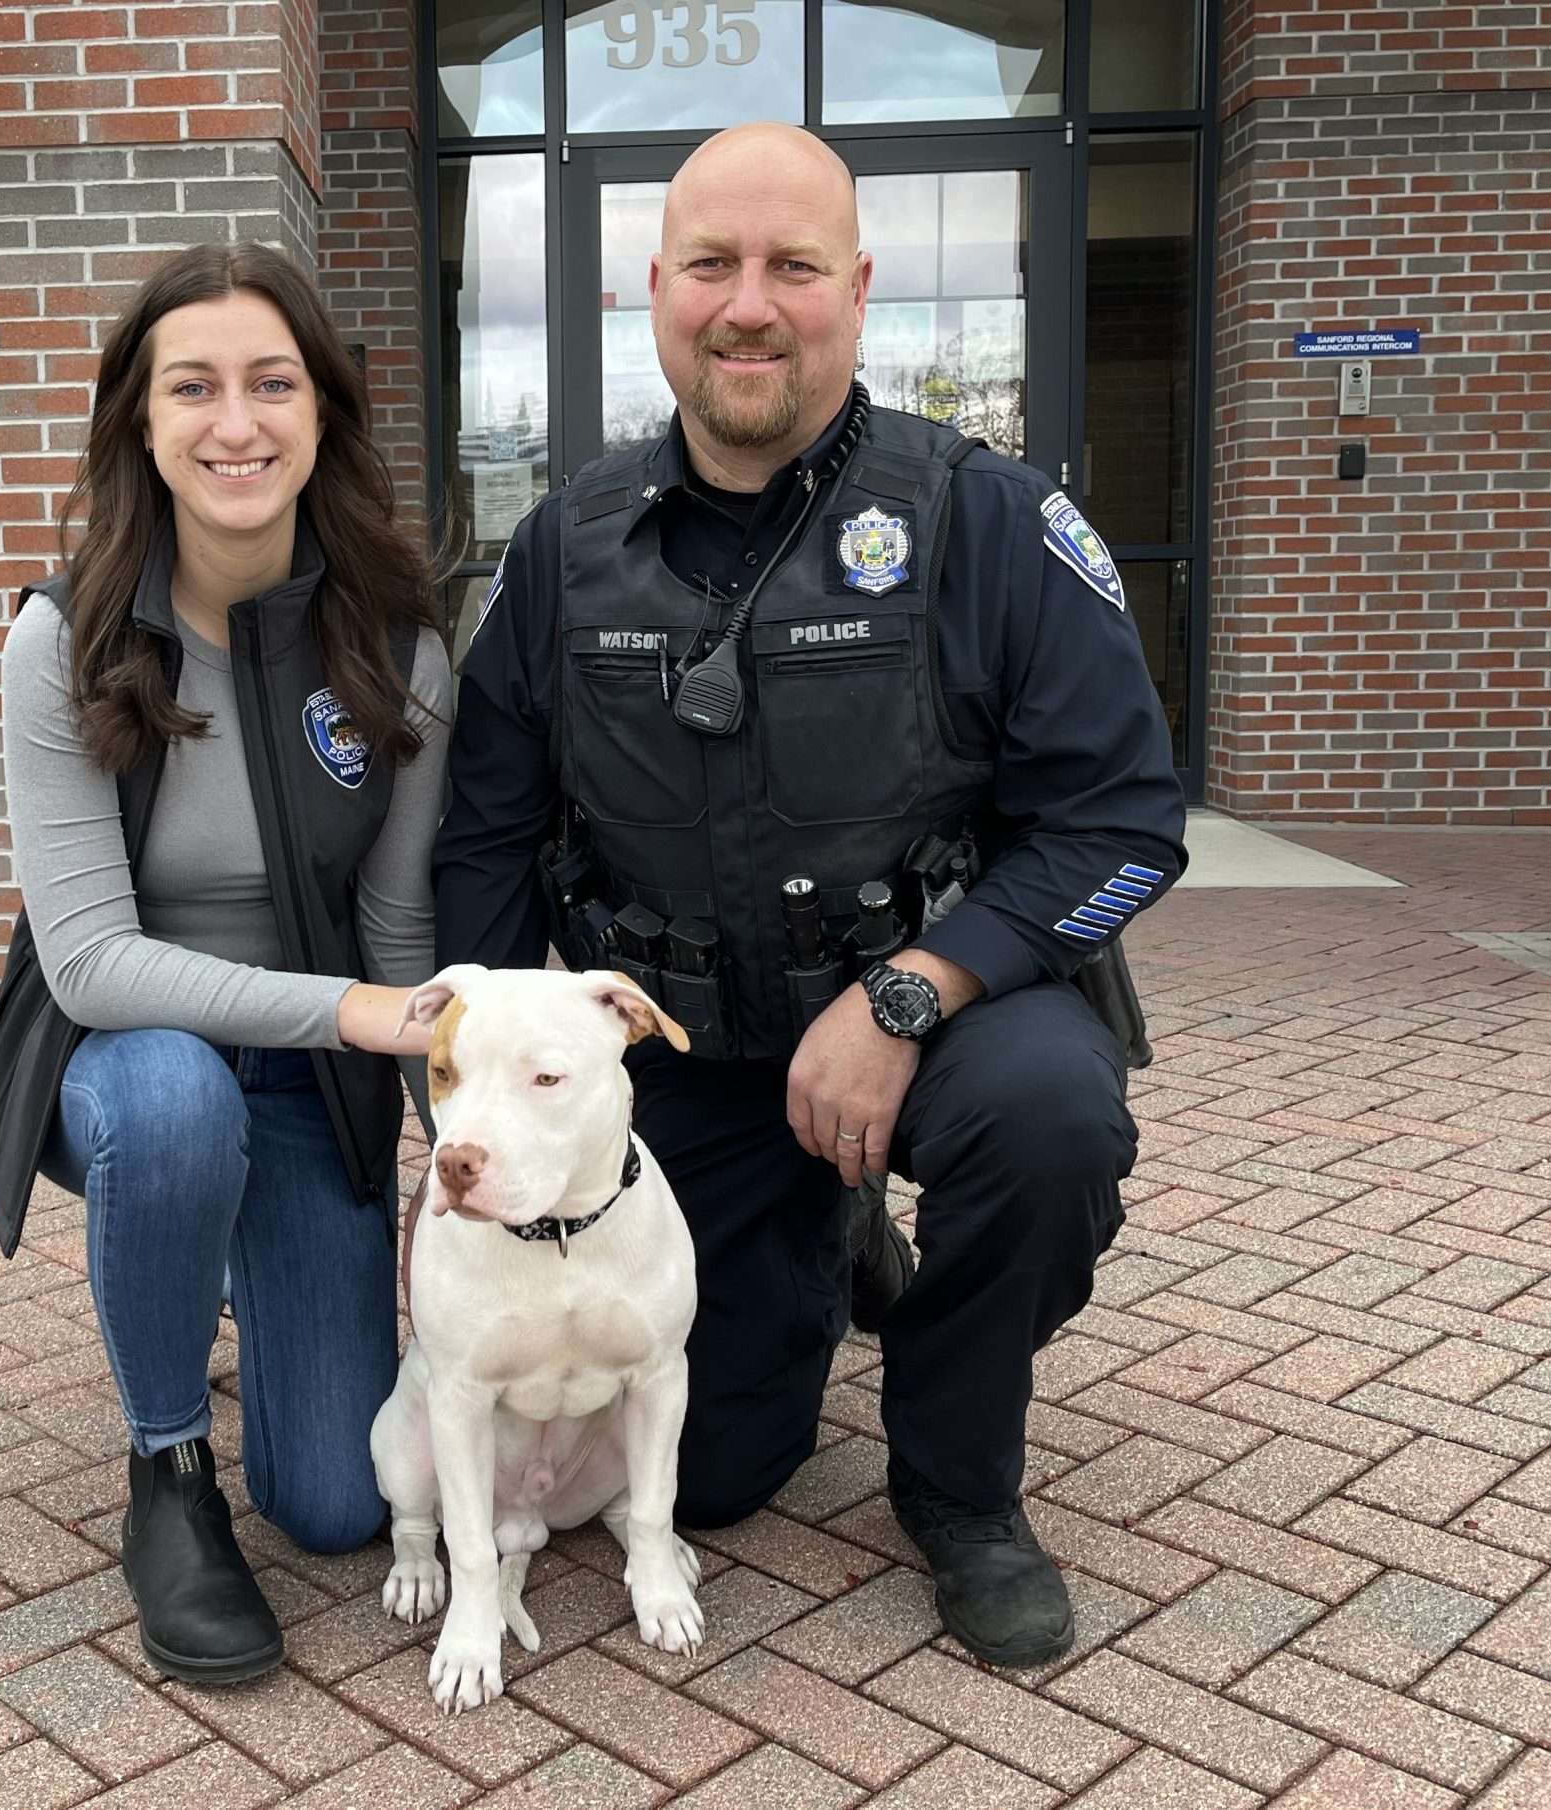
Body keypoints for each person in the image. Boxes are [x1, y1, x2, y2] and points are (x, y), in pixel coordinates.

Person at [433, 123, 1186, 1668]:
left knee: (1052, 1118)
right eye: (712, 264)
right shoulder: (564, 552)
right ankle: (830, 1236)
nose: (749, 305)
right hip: (689, 1059)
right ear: (657, 289)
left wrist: (913, 994)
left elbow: (1122, 820)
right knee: (712, 1477)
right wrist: (488, 1106)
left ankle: (959, 1474)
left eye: (792, 266)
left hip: (924, 1014)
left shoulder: (985, 519)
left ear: (859, 286)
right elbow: (483, 850)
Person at [0, 242, 450, 1686]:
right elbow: (96, 966)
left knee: (341, 1503)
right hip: (127, 1063)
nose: (235, 424)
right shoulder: (64, 640)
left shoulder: (402, 644)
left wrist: (451, 1145)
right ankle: (166, 1468)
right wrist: (357, 1013)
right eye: (194, 387)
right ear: (140, 420)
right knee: (179, 1108)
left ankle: (237, 1243)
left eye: (271, 384)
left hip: (312, 1080)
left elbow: (402, 928)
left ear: (323, 416)